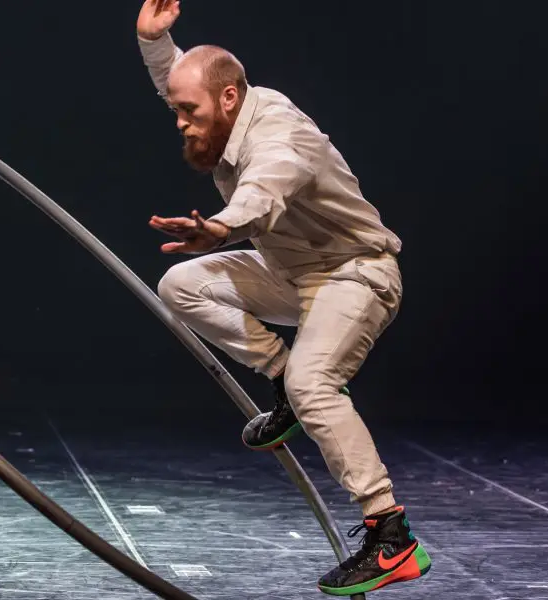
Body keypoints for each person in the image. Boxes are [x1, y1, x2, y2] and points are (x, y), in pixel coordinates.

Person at [135, 0, 432, 595]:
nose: (179, 123)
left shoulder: (280, 132)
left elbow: (267, 186)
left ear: (228, 100)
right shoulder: (225, 104)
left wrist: (220, 228)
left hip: (355, 276)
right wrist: (154, 45)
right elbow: (192, 84)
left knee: (315, 381)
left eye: (187, 112)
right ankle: (280, 378)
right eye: (176, 111)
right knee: (181, 285)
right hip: (291, 275)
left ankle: (391, 536)